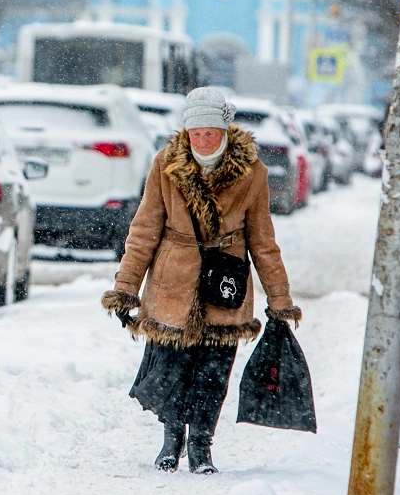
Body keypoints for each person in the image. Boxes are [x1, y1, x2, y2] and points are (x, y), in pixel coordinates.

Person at [101, 86, 300, 474]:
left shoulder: (251, 172)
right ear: (186, 132)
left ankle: (201, 446)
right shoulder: (165, 164)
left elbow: (262, 241)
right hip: (172, 282)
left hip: (225, 284)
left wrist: (280, 300)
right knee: (172, 369)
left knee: (213, 373)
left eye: (211, 132)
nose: (204, 140)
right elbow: (143, 230)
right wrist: (125, 289)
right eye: (196, 133)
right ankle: (171, 440)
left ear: (225, 132)